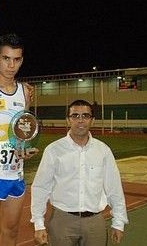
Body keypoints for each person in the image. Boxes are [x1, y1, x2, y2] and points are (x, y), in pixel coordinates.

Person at [31, 99, 129, 246]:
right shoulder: (54, 150)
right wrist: (39, 224)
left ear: (92, 120)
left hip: (95, 222)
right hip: (62, 220)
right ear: (68, 120)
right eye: (75, 116)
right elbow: (41, 187)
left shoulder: (103, 150)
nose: (80, 120)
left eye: (85, 116)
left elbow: (114, 188)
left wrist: (119, 222)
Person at [0, 33, 39, 246]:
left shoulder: (25, 92)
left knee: (11, 231)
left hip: (16, 173)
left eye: (17, 59)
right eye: (6, 58)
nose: (11, 65)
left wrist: (25, 147)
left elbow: (24, 129)